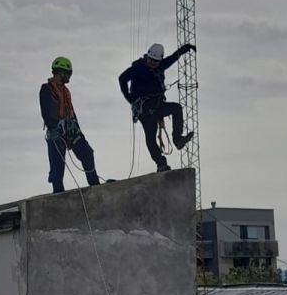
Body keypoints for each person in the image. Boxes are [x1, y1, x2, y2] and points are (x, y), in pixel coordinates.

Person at [118, 42, 195, 172]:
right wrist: (130, 98)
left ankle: (177, 139)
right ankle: (161, 163)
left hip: (158, 105)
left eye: (156, 61)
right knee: (151, 137)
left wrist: (186, 48)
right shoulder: (139, 68)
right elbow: (122, 79)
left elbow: (173, 57)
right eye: (151, 60)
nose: (153, 63)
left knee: (176, 108)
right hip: (145, 109)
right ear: (147, 57)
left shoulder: (160, 66)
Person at [39, 56, 100, 193]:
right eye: (68, 74)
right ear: (62, 73)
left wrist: (78, 130)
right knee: (57, 166)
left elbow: (71, 111)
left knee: (87, 153)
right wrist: (54, 128)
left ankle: (94, 184)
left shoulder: (66, 92)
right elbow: (46, 112)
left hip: (70, 129)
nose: (69, 77)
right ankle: (58, 192)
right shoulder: (46, 89)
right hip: (56, 131)